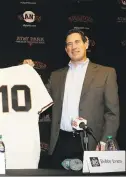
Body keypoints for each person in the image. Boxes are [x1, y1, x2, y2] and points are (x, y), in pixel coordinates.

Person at [44, 28, 119, 169]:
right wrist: (27, 71)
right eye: (69, 44)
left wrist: (104, 142)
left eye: (77, 42)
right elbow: (38, 97)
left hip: (91, 143)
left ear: (86, 44)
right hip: (61, 142)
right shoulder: (56, 76)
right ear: (66, 49)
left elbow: (112, 113)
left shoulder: (106, 73)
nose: (74, 47)